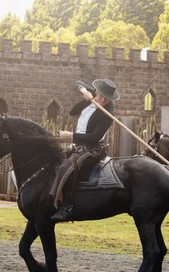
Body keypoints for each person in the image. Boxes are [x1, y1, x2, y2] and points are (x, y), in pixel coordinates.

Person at [50, 78, 120, 221]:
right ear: (97, 91)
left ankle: (66, 207)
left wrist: (71, 136)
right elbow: (76, 82)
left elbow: (94, 137)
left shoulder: (108, 113)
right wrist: (84, 91)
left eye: (106, 99)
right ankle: (51, 196)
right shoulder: (93, 94)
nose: (102, 100)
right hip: (79, 144)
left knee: (67, 167)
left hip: (93, 148)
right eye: (100, 95)